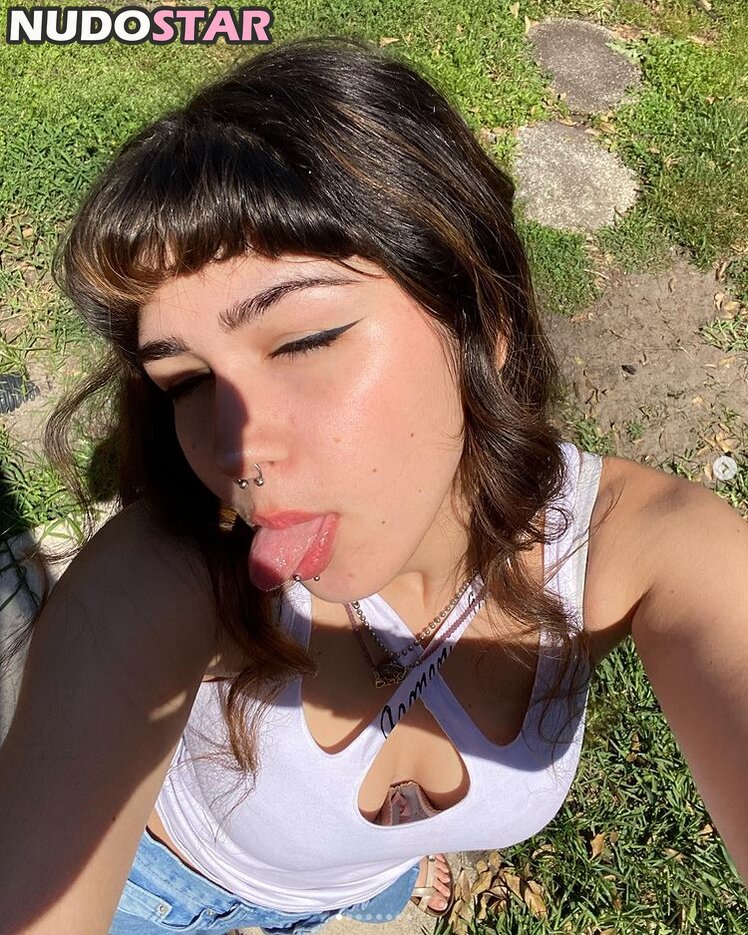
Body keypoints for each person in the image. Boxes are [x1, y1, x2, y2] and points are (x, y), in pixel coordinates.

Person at [0, 34, 746, 935]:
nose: (239, 448)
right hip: (156, 891)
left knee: (362, 880)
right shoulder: (165, 580)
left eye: (303, 340)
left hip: (347, 884)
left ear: (485, 316)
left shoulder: (634, 546)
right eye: (187, 381)